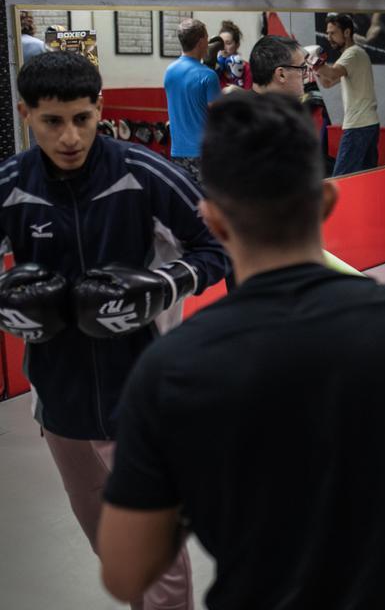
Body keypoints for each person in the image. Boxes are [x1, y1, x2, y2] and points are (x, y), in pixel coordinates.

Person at [96, 92, 385, 608]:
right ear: (327, 202)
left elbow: (125, 570)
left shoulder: (170, 366)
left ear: (213, 221)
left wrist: (196, 485)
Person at [0, 51, 229, 609]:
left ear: (100, 108)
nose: (71, 136)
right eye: (52, 121)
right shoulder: (9, 184)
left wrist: (164, 284)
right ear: (26, 113)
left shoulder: (143, 173)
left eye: (82, 117)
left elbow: (220, 247)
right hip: (59, 400)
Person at [313, 13, 380, 176]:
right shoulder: (354, 55)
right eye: (328, 33)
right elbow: (327, 83)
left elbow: (330, 73)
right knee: (365, 178)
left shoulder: (352, 54)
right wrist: (315, 67)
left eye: (333, 33)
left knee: (341, 179)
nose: (329, 38)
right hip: (369, 124)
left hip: (358, 126)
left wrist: (312, 61)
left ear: (347, 32)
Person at [164, 18, 220, 184]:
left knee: (185, 201)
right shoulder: (208, 76)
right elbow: (218, 114)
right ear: (201, 41)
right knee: (205, 203)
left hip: (177, 152)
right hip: (203, 152)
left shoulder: (169, 71)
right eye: (207, 38)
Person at [215, 19, 252, 91]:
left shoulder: (247, 68)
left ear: (237, 45)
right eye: (221, 43)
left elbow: (252, 99)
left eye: (228, 43)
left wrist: (239, 91)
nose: (223, 47)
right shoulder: (215, 68)